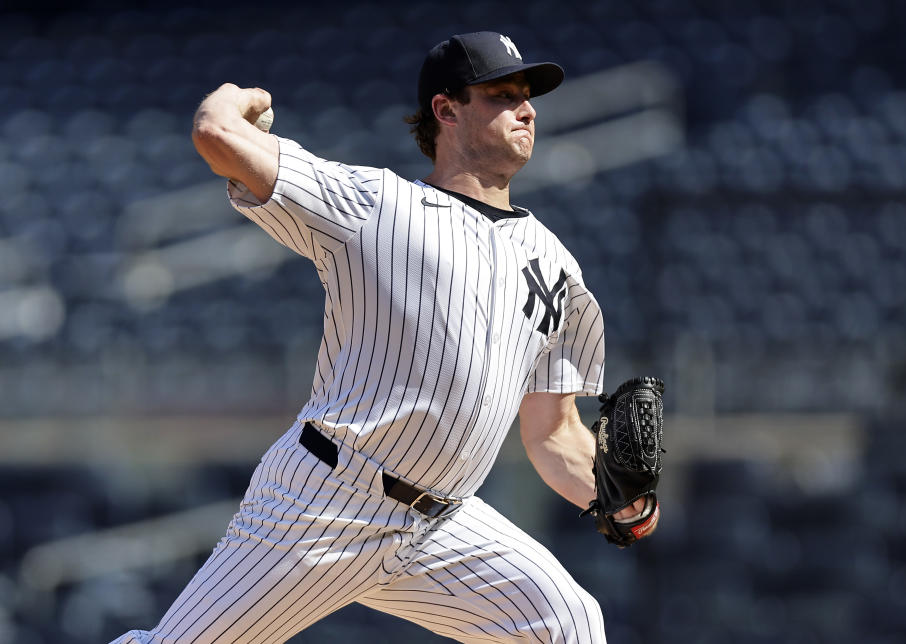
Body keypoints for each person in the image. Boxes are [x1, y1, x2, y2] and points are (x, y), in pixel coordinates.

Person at [112, 31, 655, 644]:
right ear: (445, 110)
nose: (526, 108)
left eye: (527, 96)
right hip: (325, 501)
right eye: (502, 94)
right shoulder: (374, 205)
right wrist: (239, 95)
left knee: (570, 624)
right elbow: (216, 134)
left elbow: (552, 432)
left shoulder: (560, 270)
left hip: (445, 527)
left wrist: (622, 498)